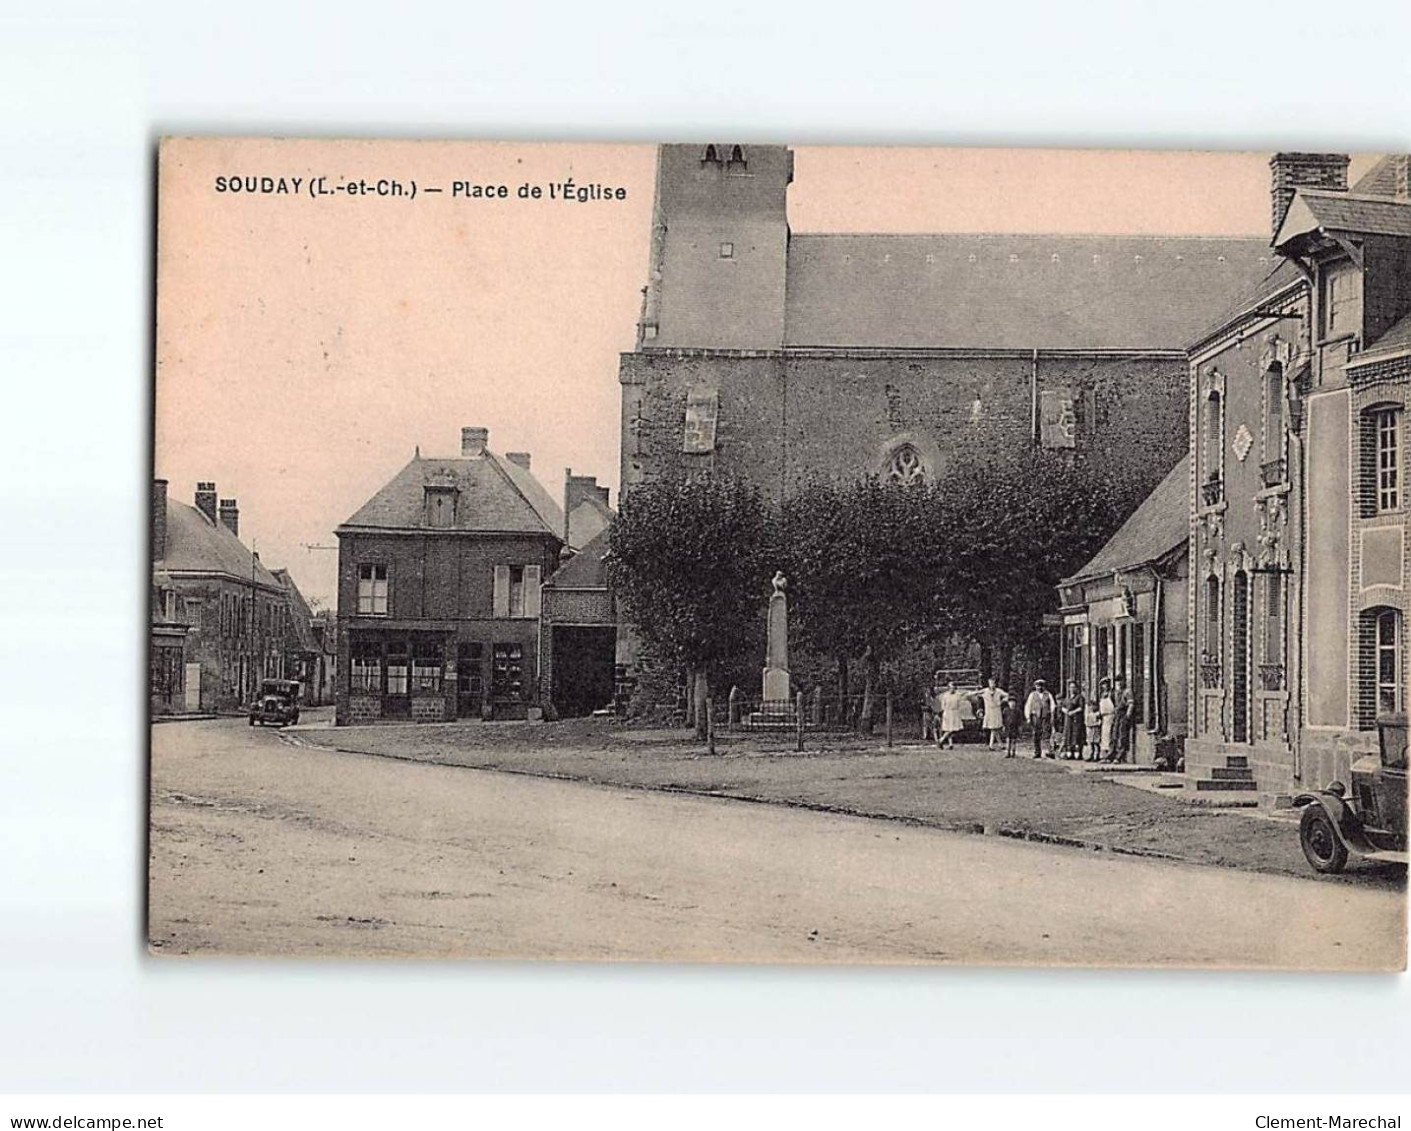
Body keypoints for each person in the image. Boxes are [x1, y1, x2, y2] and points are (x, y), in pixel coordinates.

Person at [1024, 679, 1056, 758]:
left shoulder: (1048, 694)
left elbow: (1053, 705)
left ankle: (1050, 751)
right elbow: (1028, 705)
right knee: (1036, 734)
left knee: (1046, 734)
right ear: (1035, 686)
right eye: (1037, 686)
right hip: (1036, 717)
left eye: (1041, 686)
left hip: (1045, 717)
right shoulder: (1032, 695)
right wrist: (1028, 717)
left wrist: (1052, 714)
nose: (1039, 688)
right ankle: (1037, 752)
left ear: (1043, 686)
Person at [1059, 679, 1085, 760]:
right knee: (1068, 735)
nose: (1072, 689)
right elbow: (1062, 706)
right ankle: (1069, 752)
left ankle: (1077, 753)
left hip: (1076, 719)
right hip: (1068, 719)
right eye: (1070, 687)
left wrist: (1073, 712)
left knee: (1076, 735)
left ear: (1077, 688)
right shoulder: (1067, 698)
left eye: (1074, 687)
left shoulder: (1079, 697)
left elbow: (1081, 708)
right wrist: (1065, 711)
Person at [937, 680, 965, 750]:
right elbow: (943, 705)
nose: (952, 689)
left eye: (953, 687)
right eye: (950, 687)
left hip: (955, 713)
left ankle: (950, 744)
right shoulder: (945, 695)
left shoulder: (957, 695)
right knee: (949, 729)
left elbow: (965, 695)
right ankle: (941, 740)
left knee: (953, 729)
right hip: (948, 712)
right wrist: (944, 713)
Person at [979, 677, 1006, 749]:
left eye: (993, 683)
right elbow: (976, 693)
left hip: (996, 711)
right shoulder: (985, 691)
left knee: (995, 728)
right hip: (989, 711)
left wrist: (1002, 701)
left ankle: (994, 745)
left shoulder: (998, 691)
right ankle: (997, 744)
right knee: (993, 728)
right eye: (991, 683)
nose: (992, 685)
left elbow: (1006, 695)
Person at [1112, 676, 1134, 764]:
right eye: (1117, 682)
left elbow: (1131, 704)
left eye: (1120, 681)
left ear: (1124, 681)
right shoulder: (1116, 692)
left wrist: (1127, 716)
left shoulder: (1127, 692)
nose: (1119, 684)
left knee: (1122, 735)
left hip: (1123, 714)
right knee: (1115, 734)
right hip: (1117, 715)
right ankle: (1114, 755)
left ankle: (1119, 756)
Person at [1098, 678, 1116, 761]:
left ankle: (1110, 755)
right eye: (1103, 684)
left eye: (1106, 684)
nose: (1105, 686)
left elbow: (1115, 705)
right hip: (1104, 717)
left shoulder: (1112, 693)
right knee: (1104, 736)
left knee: (1110, 735)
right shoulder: (1102, 694)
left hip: (1110, 716)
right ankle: (1104, 755)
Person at [1000, 688, 1022, 758]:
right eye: (1010, 702)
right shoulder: (1006, 710)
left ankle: (1013, 752)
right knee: (1008, 740)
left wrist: (1020, 727)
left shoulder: (1018, 711)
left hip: (1015, 727)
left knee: (1014, 740)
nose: (1012, 704)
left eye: (1013, 702)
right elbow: (1003, 718)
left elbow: (1020, 720)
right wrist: (1003, 725)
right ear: (1008, 703)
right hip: (1008, 727)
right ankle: (1008, 752)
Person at [1084, 697, 1102, 762]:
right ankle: (1091, 755)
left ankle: (1097, 755)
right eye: (1090, 706)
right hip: (1091, 731)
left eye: (1093, 706)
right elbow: (1088, 723)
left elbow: (1099, 723)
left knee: (1096, 743)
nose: (1091, 708)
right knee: (1091, 743)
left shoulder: (1098, 714)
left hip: (1096, 730)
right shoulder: (1089, 715)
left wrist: (1096, 723)